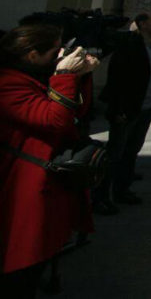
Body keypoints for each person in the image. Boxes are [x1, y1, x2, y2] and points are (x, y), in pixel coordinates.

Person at [0, 25, 98, 297]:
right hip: (24, 188)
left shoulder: (41, 76)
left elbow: (75, 113)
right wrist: (65, 74)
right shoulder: (8, 84)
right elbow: (54, 120)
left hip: (47, 183)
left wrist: (81, 76)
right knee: (21, 264)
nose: (59, 56)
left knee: (38, 256)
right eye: (55, 51)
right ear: (32, 55)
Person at [95, 11, 151, 211]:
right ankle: (102, 194)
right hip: (127, 107)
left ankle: (122, 190)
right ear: (142, 24)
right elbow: (116, 77)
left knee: (132, 149)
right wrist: (117, 108)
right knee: (115, 152)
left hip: (148, 104)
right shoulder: (127, 44)